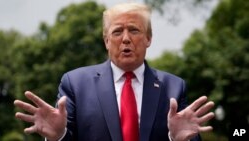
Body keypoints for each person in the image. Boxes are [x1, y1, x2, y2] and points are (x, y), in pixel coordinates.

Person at [14, 2, 215, 141]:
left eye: (134, 30)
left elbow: (189, 135)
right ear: (106, 41)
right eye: (117, 31)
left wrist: (176, 139)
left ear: (148, 38)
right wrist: (58, 136)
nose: (126, 39)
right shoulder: (75, 84)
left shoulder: (173, 87)